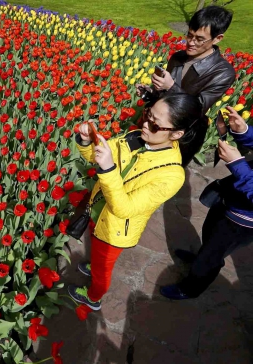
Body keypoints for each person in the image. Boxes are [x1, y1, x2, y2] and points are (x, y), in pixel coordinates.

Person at [67, 93, 206, 310]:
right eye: (148, 115)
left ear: (177, 133)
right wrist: (87, 141)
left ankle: (94, 297)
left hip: (115, 230)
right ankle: (94, 265)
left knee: (102, 270)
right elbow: (97, 157)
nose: (146, 125)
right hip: (98, 210)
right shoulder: (135, 137)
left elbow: (124, 208)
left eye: (155, 125)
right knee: (95, 248)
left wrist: (109, 168)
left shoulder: (171, 175)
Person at [161, 106, 253, 300]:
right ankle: (202, 257)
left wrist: (238, 166)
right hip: (232, 196)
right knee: (210, 234)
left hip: (243, 218)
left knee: (212, 254)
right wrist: (243, 131)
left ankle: (191, 288)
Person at [137, 5, 235, 165]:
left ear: (218, 38)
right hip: (156, 128)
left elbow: (198, 107)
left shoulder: (223, 72)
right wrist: (150, 93)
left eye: (199, 39)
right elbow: (165, 98)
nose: (190, 42)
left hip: (184, 136)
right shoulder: (178, 57)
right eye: (189, 35)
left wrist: (171, 86)